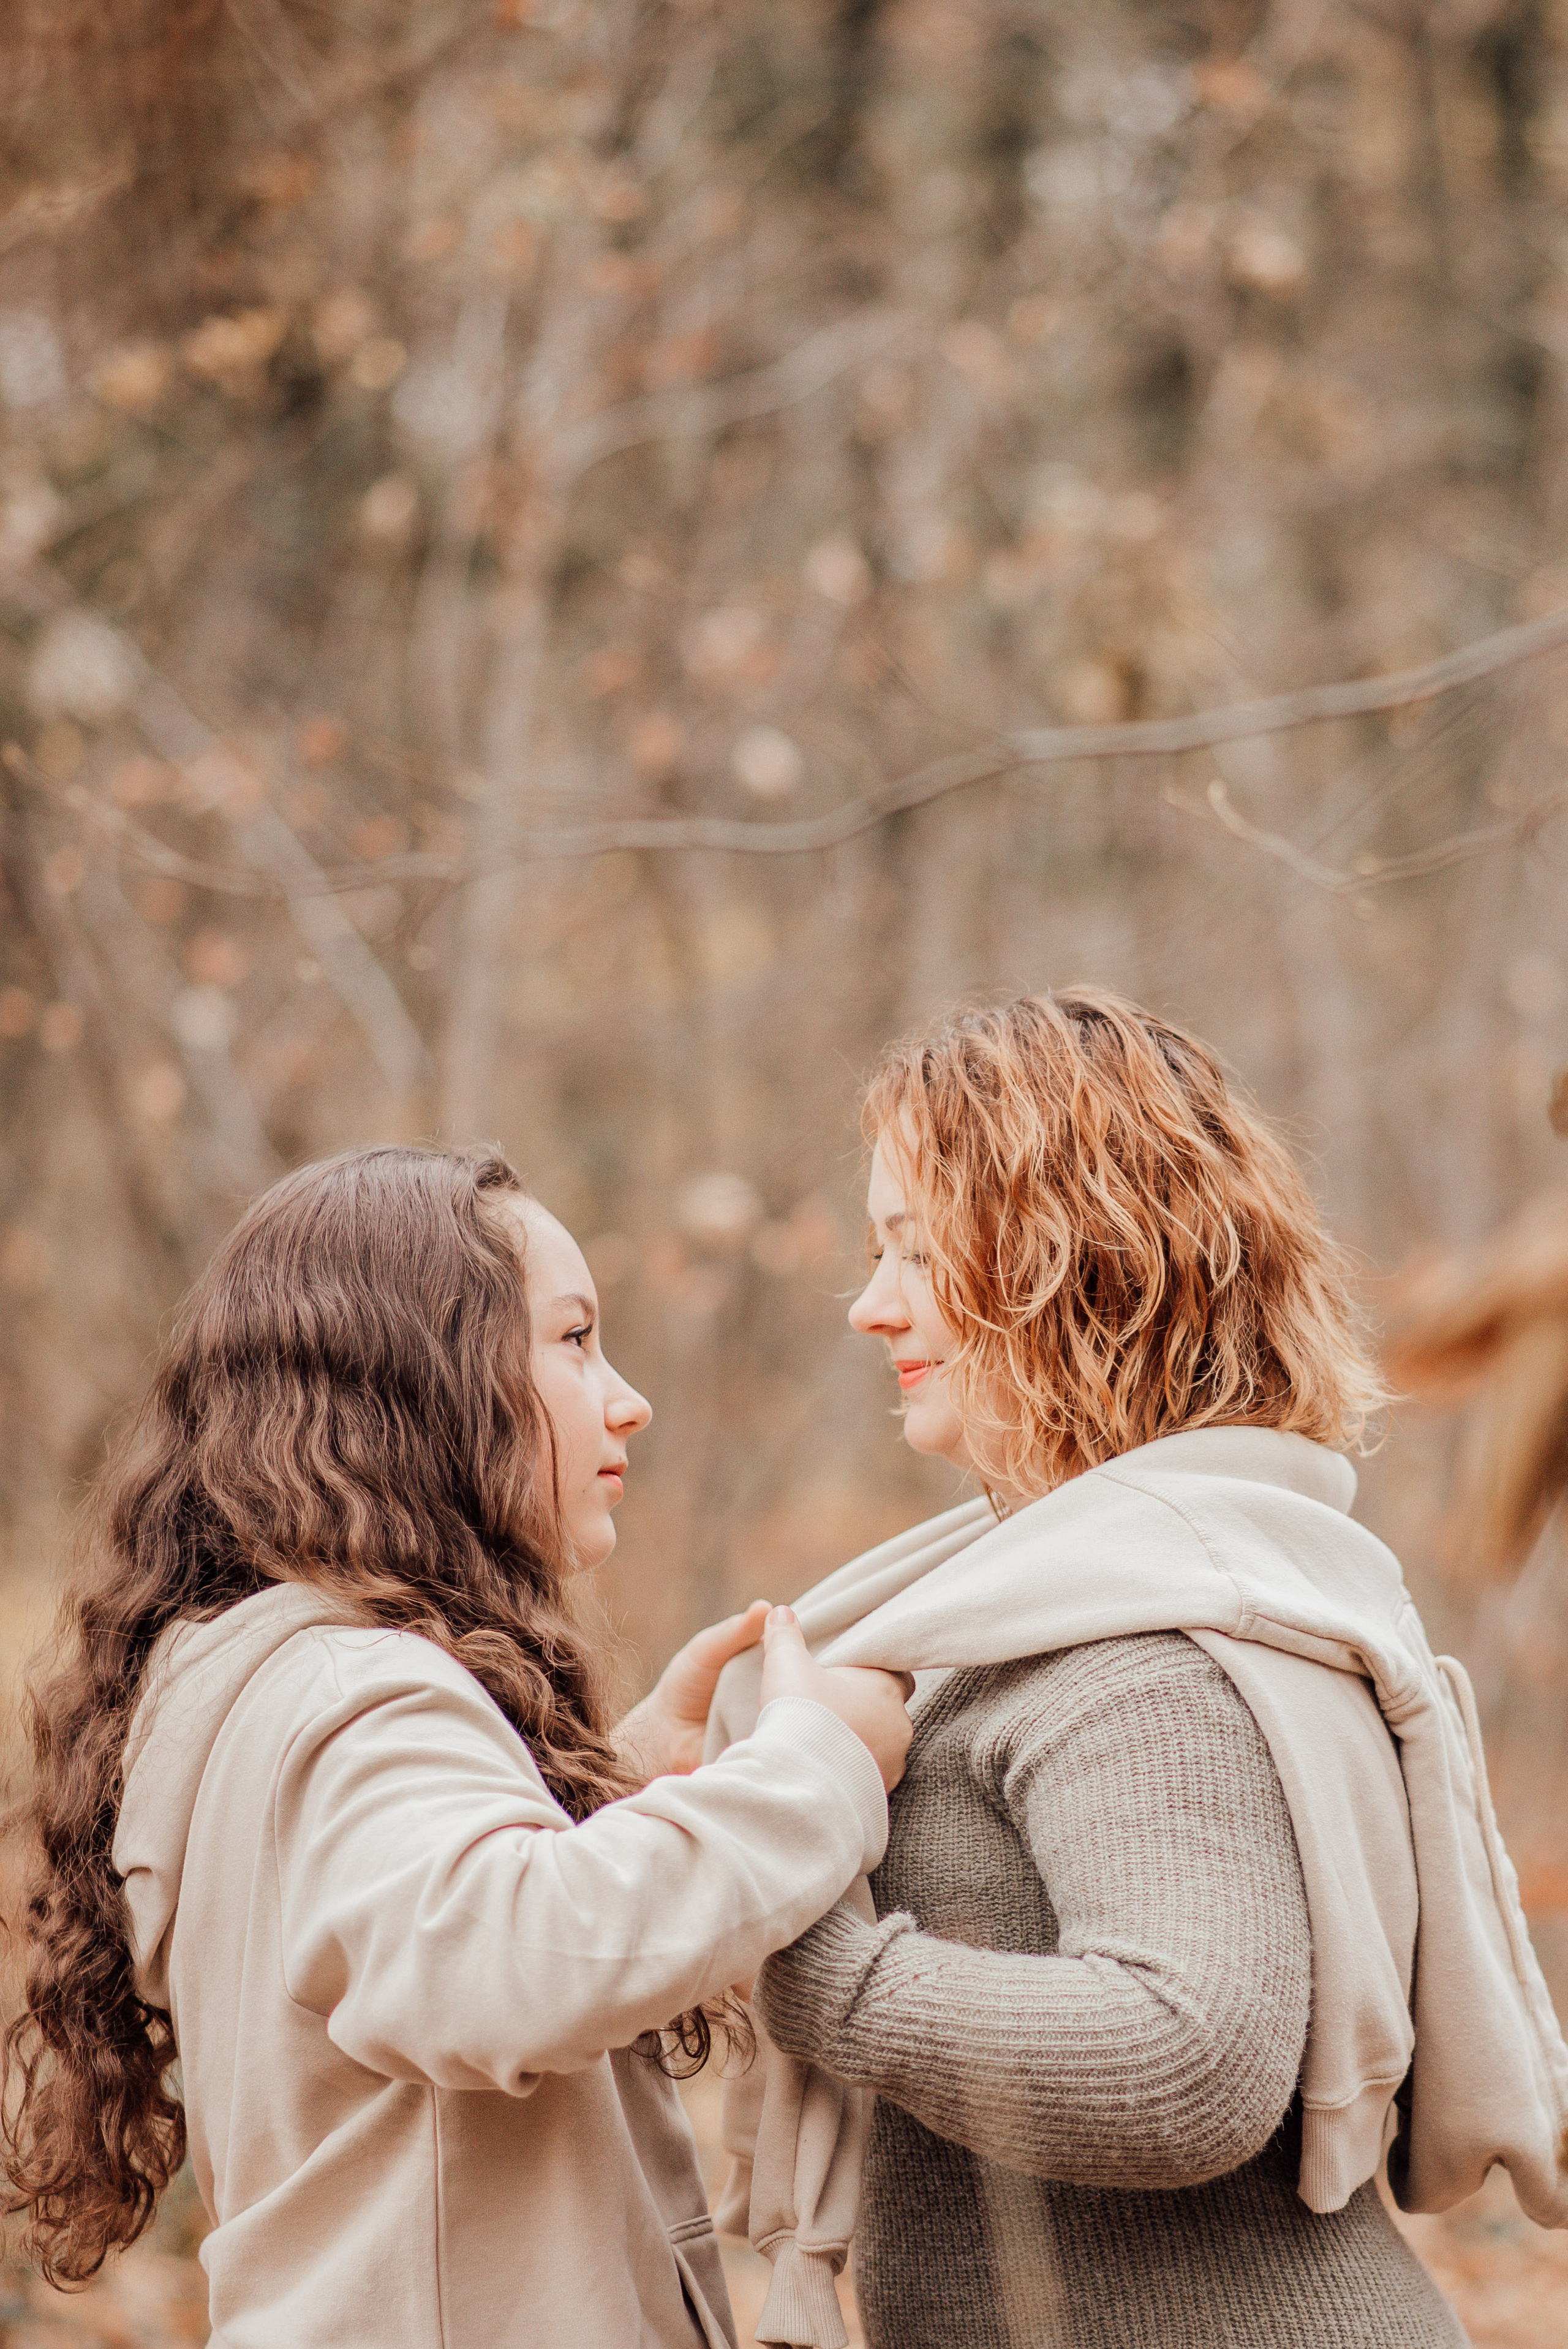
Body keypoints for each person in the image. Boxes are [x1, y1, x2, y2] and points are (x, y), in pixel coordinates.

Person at [712, 990, 1567, 2349]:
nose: (870, 1307)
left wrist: (810, 1958)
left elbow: (1184, 2057)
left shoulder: (1138, 1644)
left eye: (914, 1252)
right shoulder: (1076, 1584)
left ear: (1072, 1268)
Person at [1, 1144, 914, 2349]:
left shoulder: (264, 1676)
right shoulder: (350, 1694)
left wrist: (621, 1800)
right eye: (574, 1340)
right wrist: (812, 1765)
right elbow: (511, 1961)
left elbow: (394, 1981)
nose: (625, 1398)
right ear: (422, 1383)